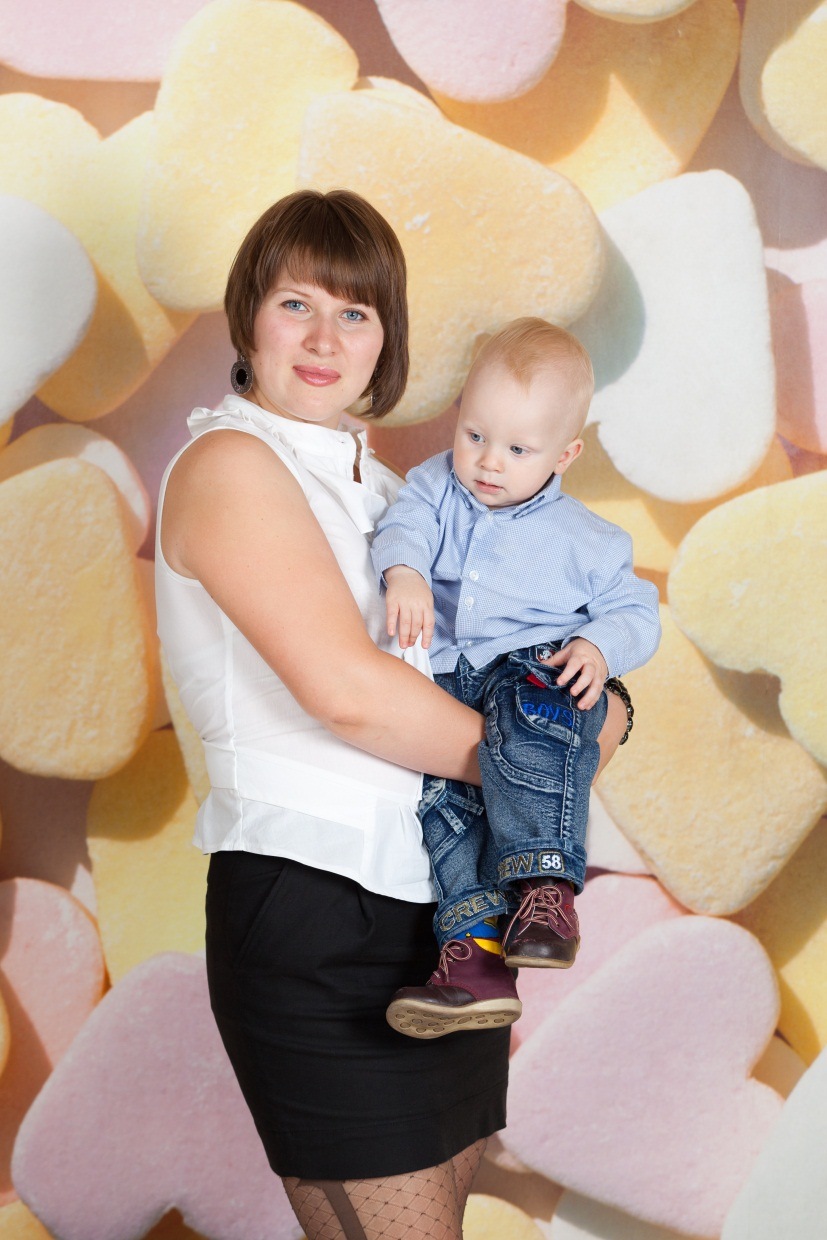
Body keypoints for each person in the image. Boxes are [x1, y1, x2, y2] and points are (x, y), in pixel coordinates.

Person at [155, 189, 547, 1240]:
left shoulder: (388, 494)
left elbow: (487, 668)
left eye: (355, 312)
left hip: (439, 915)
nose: (325, 339)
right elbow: (350, 695)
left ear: (387, 337)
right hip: (314, 907)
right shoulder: (231, 464)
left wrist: (592, 693)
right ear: (247, 315)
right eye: (296, 304)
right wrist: (548, 762)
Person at [371, 318, 661, 1040]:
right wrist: (404, 573)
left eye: (517, 449)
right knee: (441, 805)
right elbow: (403, 527)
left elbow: (636, 612)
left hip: (533, 672)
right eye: (474, 434)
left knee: (534, 727)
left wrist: (598, 646)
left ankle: (545, 891)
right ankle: (474, 960)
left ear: (565, 455)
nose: (488, 462)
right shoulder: (434, 487)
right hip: (445, 678)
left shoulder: (589, 539)